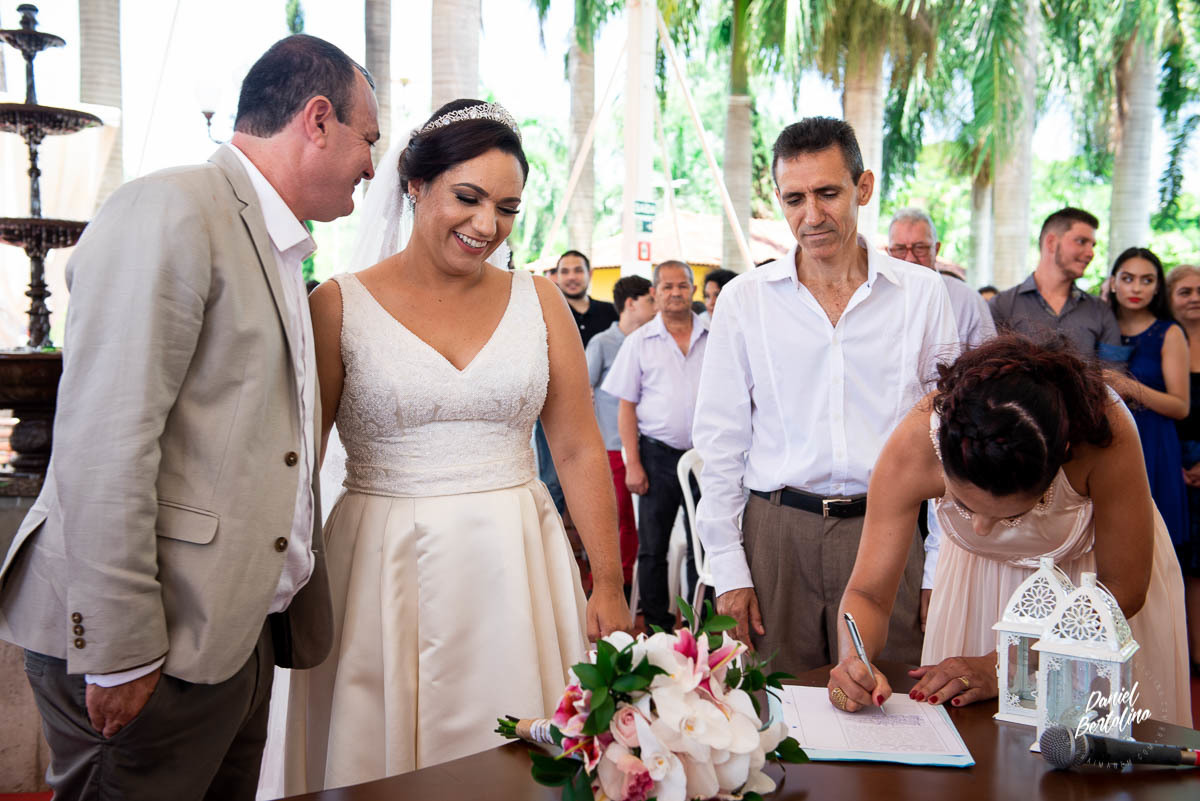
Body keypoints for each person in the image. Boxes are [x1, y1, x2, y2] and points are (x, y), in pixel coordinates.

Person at [0, 35, 377, 800]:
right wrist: (120, 648)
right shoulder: (170, 207)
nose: (373, 164)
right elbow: (105, 439)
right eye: (368, 138)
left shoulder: (279, 247)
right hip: (151, 648)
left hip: (230, 637)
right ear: (317, 119)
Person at [283, 99, 631, 791]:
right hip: (381, 565)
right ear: (416, 185)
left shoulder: (542, 301)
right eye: (467, 198)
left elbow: (578, 449)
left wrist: (611, 582)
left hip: (519, 562)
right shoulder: (337, 305)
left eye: (507, 207)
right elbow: (301, 462)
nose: (486, 226)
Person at [693, 117, 959, 676]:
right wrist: (730, 570)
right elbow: (720, 443)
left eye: (828, 193)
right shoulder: (745, 301)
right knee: (773, 717)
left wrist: (938, 568)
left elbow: (947, 441)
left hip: (888, 534)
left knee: (892, 716)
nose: (811, 216)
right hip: (775, 534)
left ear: (863, 188)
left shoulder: (923, 294)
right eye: (794, 198)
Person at [829, 334, 1190, 727]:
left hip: (1090, 610)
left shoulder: (1103, 431)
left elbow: (1122, 588)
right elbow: (868, 592)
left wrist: (1003, 664)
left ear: (1059, 460)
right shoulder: (915, 444)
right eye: (965, 506)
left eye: (1010, 515)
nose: (980, 530)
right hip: (973, 594)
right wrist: (854, 658)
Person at [603, 260, 708, 631]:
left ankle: (702, 626)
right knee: (653, 547)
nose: (675, 293)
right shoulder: (639, 343)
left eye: (682, 286)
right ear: (655, 292)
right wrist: (633, 463)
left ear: (692, 291)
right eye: (667, 287)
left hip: (707, 460)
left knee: (705, 544)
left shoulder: (716, 335)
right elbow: (626, 407)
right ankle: (660, 628)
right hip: (656, 456)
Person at [1105, 248, 1189, 551]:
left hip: (1154, 442)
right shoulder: (1099, 322)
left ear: (1157, 287)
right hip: (1105, 439)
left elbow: (1180, 406)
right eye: (1128, 279)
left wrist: (1128, 386)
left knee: (1155, 544)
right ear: (1113, 282)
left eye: (1146, 280)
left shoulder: (1169, 333)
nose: (1136, 288)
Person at [586, 275, 656, 597]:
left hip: (646, 447)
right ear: (631, 303)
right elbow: (581, 391)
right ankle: (622, 589)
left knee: (643, 524)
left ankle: (638, 589)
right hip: (614, 446)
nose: (656, 306)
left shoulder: (650, 342)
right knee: (623, 521)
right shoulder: (603, 343)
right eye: (650, 300)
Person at [988, 207, 1123, 361]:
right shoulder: (1001, 306)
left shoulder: (1100, 311)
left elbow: (1114, 375)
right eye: (1081, 242)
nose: (1091, 253)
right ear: (1051, 242)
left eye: (1092, 245)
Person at [887, 208, 995, 348]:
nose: (910, 259)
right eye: (900, 249)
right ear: (888, 252)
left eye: (920, 248)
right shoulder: (874, 297)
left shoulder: (967, 300)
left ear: (936, 249)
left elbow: (988, 362)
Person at [1167, 264, 1200, 674]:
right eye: (1185, 291)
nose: (1195, 297)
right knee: (1177, 560)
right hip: (1170, 461)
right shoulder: (1160, 339)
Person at [558, 249, 619, 344]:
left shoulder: (612, 311)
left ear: (590, 274)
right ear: (557, 276)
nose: (571, 277)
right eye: (564, 272)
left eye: (578, 270)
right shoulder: (549, 315)